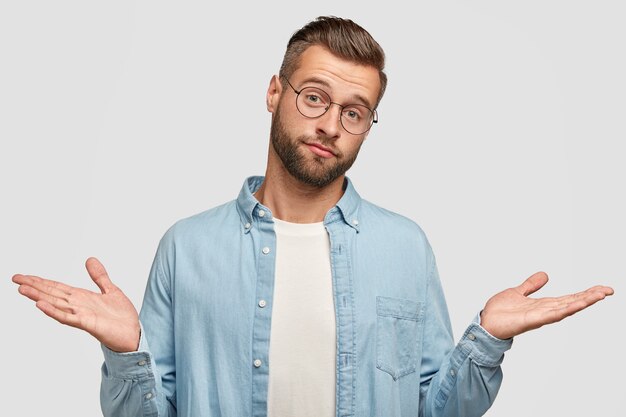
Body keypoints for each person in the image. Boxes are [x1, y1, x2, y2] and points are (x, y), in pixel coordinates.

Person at [12, 16, 613, 417]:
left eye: (356, 112)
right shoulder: (186, 247)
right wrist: (125, 355)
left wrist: (488, 339)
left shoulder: (405, 247)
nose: (330, 124)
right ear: (276, 92)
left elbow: (436, 411)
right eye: (315, 97)